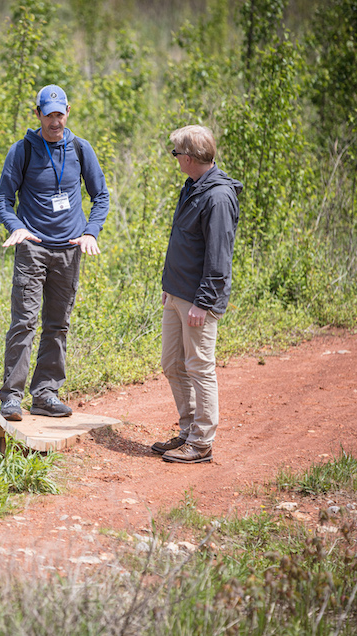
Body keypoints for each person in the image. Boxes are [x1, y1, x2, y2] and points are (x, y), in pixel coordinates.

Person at [0, 84, 109, 421]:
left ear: (68, 112)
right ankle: (12, 397)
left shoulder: (80, 149)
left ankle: (45, 394)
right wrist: (16, 226)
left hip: (70, 249)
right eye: (49, 115)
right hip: (33, 248)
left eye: (60, 114)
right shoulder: (22, 151)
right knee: (24, 322)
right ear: (38, 114)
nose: (55, 121)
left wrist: (91, 231)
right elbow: (3, 199)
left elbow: (100, 196)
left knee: (58, 325)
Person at [153, 125, 242, 463]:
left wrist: (203, 302)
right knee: (172, 363)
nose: (175, 159)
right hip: (177, 293)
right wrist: (169, 287)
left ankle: (202, 442)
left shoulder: (218, 197)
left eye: (176, 153)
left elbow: (218, 257)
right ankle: (187, 432)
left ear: (188, 158)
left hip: (197, 299)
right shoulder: (192, 186)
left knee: (199, 367)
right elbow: (183, 243)